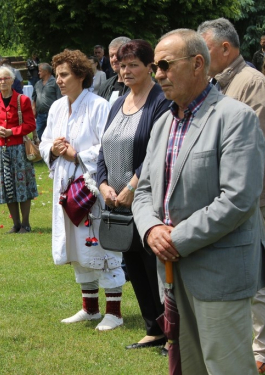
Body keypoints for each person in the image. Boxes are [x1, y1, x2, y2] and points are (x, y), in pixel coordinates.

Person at [132, 28, 265, 374]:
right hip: (173, 274)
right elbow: (144, 190)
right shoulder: (163, 123)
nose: (157, 73)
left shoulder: (236, 118)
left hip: (219, 273)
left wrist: (172, 238)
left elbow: (237, 199)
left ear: (197, 64)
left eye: (164, 65)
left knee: (227, 368)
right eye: (155, 66)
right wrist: (150, 230)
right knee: (189, 367)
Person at [39, 49, 125, 331]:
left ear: (81, 75)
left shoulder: (99, 106)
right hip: (65, 184)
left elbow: (109, 144)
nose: (59, 80)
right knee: (76, 245)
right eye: (58, 75)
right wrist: (53, 148)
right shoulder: (56, 107)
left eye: (64, 75)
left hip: (91, 185)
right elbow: (44, 141)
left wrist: (77, 154)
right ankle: (90, 308)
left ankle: (114, 310)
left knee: (99, 242)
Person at [197, 17, 265, 374]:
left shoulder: (251, 82)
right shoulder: (214, 83)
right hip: (219, 198)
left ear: (225, 48)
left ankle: (261, 351)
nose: (200, 59)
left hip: (252, 199)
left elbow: (248, 146)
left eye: (204, 50)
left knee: (257, 277)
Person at [97, 40, 170, 344]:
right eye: (122, 65)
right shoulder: (117, 103)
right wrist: (103, 186)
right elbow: (103, 149)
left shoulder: (160, 101)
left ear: (150, 67)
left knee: (154, 266)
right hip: (117, 203)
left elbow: (157, 152)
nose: (126, 71)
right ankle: (153, 328)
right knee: (134, 265)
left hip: (147, 200)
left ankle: (172, 333)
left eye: (133, 65)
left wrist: (130, 187)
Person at [0, 67, 38, 233]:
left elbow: (31, 125)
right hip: (0, 149)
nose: (3, 82)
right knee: (7, 186)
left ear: (12, 80)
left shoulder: (22, 100)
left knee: (22, 186)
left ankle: (26, 223)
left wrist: (12, 131)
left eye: (6, 78)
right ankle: (15, 224)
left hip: (18, 149)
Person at [31, 63, 61, 140]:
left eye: (40, 71)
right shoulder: (38, 83)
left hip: (52, 114)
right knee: (38, 132)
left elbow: (60, 98)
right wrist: (33, 107)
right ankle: (41, 148)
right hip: (40, 114)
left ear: (46, 71)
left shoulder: (55, 82)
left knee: (52, 134)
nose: (38, 73)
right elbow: (34, 97)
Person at [97, 37, 131, 104]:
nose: (114, 59)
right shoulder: (105, 86)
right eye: (111, 56)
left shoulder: (140, 85)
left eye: (118, 54)